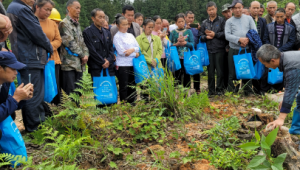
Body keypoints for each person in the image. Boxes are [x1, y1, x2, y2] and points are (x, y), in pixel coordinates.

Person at [7, 0, 53, 132]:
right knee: (33, 95)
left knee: (30, 93)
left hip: (26, 57)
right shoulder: (21, 9)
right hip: (30, 58)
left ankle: (32, 126)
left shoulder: (14, 7)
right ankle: (36, 129)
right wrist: (49, 46)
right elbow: (37, 33)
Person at [258, 45, 300, 135]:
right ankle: (296, 131)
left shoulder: (292, 65)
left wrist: (281, 119)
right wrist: (285, 99)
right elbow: (292, 84)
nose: (266, 67)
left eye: (265, 64)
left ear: (272, 60)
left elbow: (291, 90)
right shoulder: (285, 57)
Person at [83, 8, 115, 106]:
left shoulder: (107, 32)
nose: (102, 19)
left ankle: (111, 106)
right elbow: (91, 50)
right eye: (99, 17)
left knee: (109, 87)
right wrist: (102, 62)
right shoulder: (87, 32)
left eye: (103, 17)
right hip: (96, 66)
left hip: (108, 65)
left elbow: (111, 48)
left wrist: (108, 61)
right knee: (99, 89)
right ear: (93, 18)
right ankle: (100, 110)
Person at [225, 0, 257, 95]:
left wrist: (246, 40)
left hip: (246, 49)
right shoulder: (229, 21)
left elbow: (254, 31)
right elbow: (227, 35)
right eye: (235, 8)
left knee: (246, 69)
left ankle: (247, 91)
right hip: (234, 49)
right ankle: (233, 91)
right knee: (233, 71)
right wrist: (239, 39)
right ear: (232, 9)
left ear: (242, 7)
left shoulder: (249, 19)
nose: (237, 10)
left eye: (239, 7)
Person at [261, 8, 296, 94]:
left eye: (281, 16)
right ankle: (264, 90)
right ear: (274, 17)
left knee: (281, 71)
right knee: (267, 69)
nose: (279, 19)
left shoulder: (291, 28)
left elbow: (291, 41)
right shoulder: (269, 26)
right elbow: (265, 39)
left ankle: (277, 89)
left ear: (285, 16)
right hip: (270, 52)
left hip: (283, 53)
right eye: (277, 17)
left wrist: (279, 50)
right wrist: (272, 50)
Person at [34, 0, 62, 105]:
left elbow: (58, 40)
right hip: (38, 60)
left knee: (54, 87)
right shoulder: (32, 22)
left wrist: (48, 47)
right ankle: (44, 113)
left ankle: (54, 112)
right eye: (46, 9)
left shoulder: (52, 23)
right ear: (37, 7)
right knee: (42, 88)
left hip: (53, 60)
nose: (48, 12)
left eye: (50, 10)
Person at [59, 0, 89, 95]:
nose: (79, 10)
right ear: (69, 8)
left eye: (80, 8)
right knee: (70, 91)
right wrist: (82, 55)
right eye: (77, 8)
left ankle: (77, 109)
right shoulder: (64, 23)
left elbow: (82, 42)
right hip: (69, 64)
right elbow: (70, 43)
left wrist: (86, 55)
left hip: (79, 64)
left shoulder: (77, 24)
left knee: (78, 91)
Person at [199, 1, 226, 96]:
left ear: (216, 9)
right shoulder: (204, 22)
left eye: (213, 9)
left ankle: (220, 89)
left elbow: (225, 34)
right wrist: (205, 37)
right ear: (207, 11)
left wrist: (215, 34)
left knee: (220, 71)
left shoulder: (222, 21)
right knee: (210, 72)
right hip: (209, 50)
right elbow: (200, 35)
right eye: (209, 10)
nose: (211, 11)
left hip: (220, 49)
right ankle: (211, 90)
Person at [0, 52, 34, 129]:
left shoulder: (4, 83)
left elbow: (5, 105)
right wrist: (15, 98)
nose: (16, 72)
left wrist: (22, 98)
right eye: (13, 68)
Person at [113, 16, 139, 104]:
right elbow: (122, 52)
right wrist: (135, 53)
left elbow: (138, 47)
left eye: (127, 24)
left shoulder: (130, 35)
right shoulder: (117, 37)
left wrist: (131, 50)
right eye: (123, 25)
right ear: (117, 25)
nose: (125, 26)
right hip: (122, 65)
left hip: (132, 63)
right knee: (124, 85)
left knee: (132, 84)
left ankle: (132, 102)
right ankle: (124, 104)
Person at [136, 18, 163, 101]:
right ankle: (146, 102)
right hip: (145, 66)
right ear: (144, 27)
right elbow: (141, 52)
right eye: (149, 27)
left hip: (157, 65)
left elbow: (160, 50)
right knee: (145, 86)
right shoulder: (139, 39)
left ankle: (157, 101)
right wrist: (150, 60)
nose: (151, 29)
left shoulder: (157, 38)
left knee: (158, 84)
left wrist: (156, 60)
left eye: (152, 27)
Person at [169, 13, 194, 89]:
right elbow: (169, 44)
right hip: (176, 57)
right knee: (177, 74)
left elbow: (192, 44)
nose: (181, 23)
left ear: (185, 21)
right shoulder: (173, 32)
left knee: (187, 74)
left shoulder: (188, 31)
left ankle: (187, 92)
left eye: (182, 21)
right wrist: (176, 44)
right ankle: (178, 92)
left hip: (186, 56)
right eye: (179, 22)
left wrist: (185, 43)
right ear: (176, 23)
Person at [249, 1, 268, 95]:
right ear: (250, 8)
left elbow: (265, 34)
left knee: (262, 68)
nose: (256, 10)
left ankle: (261, 89)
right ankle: (254, 88)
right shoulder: (248, 19)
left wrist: (263, 46)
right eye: (254, 8)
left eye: (257, 8)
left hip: (261, 48)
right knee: (252, 68)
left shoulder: (262, 20)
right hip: (251, 48)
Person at [221, 3, 232, 90]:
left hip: (234, 47)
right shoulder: (221, 22)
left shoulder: (235, 20)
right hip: (222, 48)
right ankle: (225, 87)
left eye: (229, 11)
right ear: (223, 13)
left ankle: (233, 87)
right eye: (226, 12)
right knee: (224, 68)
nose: (228, 13)